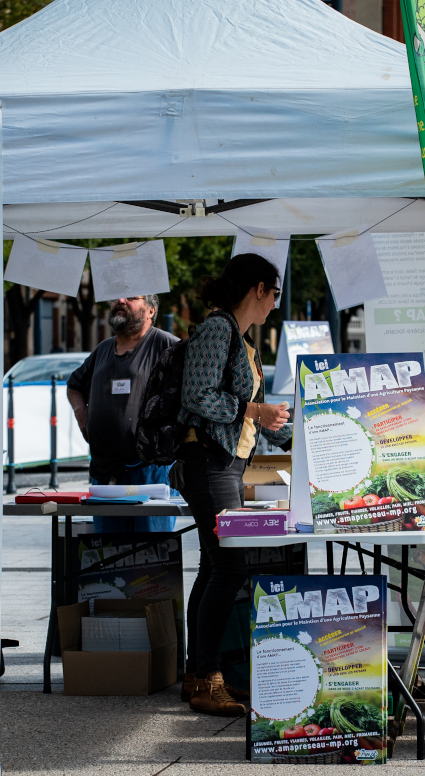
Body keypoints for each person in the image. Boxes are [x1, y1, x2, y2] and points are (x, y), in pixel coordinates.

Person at [177, 254, 292, 715]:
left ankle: (196, 674)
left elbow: (266, 419)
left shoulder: (245, 340)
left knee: (214, 567)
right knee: (229, 567)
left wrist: (310, 434)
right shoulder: (217, 330)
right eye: (275, 295)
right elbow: (196, 395)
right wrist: (252, 411)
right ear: (259, 289)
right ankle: (208, 679)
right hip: (208, 462)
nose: (275, 306)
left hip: (227, 464)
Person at [66, 293, 179, 533]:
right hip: (105, 473)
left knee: (152, 557)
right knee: (109, 557)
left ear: (151, 310)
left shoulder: (167, 345)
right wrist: (82, 417)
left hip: (150, 472)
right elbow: (75, 385)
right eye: (116, 296)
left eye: (131, 296)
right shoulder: (103, 349)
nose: (120, 300)